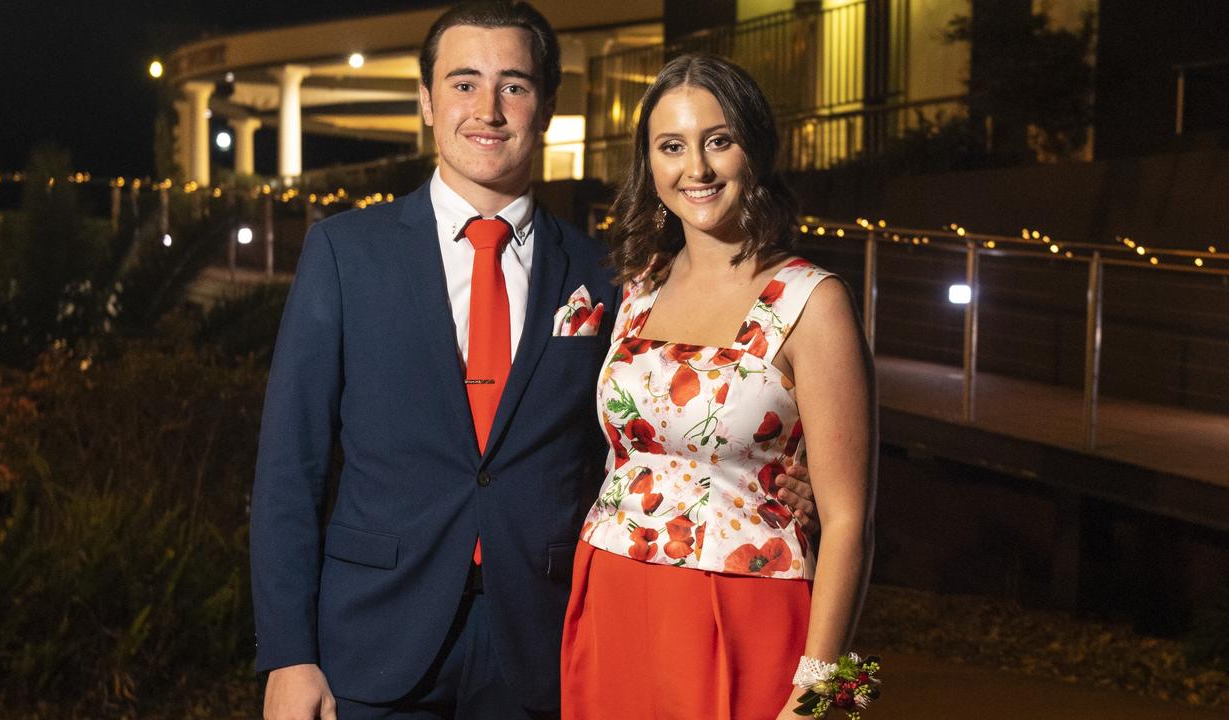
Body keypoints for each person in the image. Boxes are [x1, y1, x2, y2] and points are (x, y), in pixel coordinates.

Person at [250, 5, 820, 720]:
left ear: (547, 105)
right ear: (426, 101)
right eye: (463, 83)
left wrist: (795, 479)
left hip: (545, 642)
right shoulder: (344, 252)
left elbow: (659, 424)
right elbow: (287, 470)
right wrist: (287, 654)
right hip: (372, 637)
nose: (488, 109)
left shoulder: (614, 274)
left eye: (514, 86)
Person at [560, 53, 877, 720]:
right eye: (671, 147)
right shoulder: (638, 287)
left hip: (750, 609)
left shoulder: (811, 301)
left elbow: (851, 522)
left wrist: (826, 696)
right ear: (648, 164)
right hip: (612, 592)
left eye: (719, 141)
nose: (695, 170)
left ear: (754, 148)